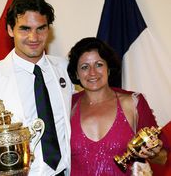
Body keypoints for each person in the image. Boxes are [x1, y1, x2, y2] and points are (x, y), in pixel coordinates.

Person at [0, 0, 73, 176]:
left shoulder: (64, 68)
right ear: (10, 29)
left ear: (48, 29)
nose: (34, 37)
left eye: (40, 28)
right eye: (25, 28)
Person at [67, 37, 166, 176]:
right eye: (84, 67)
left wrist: (153, 153)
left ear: (108, 68)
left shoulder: (134, 103)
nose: (92, 72)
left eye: (99, 64)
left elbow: (163, 158)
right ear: (76, 74)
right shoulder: (66, 106)